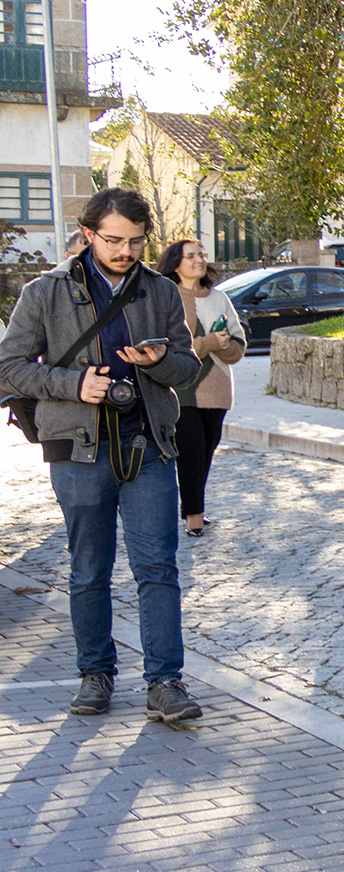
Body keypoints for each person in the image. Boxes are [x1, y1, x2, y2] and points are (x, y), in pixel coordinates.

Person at [0, 189, 205, 722]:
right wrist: (73, 384)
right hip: (77, 452)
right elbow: (10, 366)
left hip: (148, 448)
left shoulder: (160, 291)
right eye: (113, 240)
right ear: (88, 233)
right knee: (89, 569)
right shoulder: (44, 291)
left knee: (158, 568)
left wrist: (159, 361)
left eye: (136, 241)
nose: (125, 251)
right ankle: (95, 673)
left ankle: (165, 682)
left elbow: (187, 370)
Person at [158, 238, 247, 537]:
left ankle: (193, 507)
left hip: (217, 388)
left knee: (207, 450)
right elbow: (170, 351)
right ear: (176, 263)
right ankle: (193, 515)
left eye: (202, 255)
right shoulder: (165, 297)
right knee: (191, 451)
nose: (199, 260)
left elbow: (238, 345)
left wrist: (223, 346)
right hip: (180, 390)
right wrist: (209, 343)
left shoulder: (219, 299)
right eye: (191, 256)